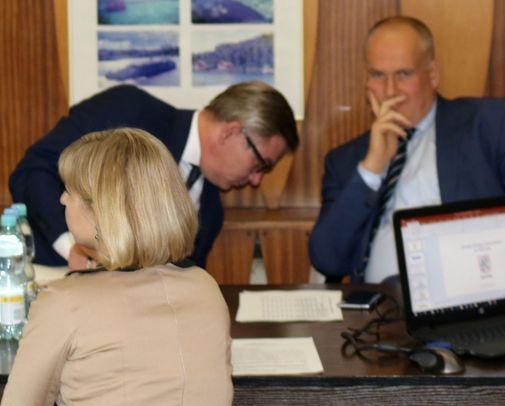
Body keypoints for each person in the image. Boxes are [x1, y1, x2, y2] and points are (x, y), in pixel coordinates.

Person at [1, 128, 233, 406]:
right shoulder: (206, 287)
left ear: (101, 210)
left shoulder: (65, 302)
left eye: (69, 190)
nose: (62, 199)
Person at [309, 16, 505, 283]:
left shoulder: (490, 125)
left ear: (432, 74)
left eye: (403, 74)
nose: (390, 91)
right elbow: (327, 260)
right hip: (382, 304)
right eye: (378, 75)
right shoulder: (345, 161)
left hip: (471, 292)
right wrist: (372, 169)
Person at [9, 81, 298, 270]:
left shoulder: (210, 212)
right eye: (261, 164)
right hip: (47, 275)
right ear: (232, 132)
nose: (256, 180)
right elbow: (33, 171)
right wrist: (74, 249)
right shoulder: (129, 110)